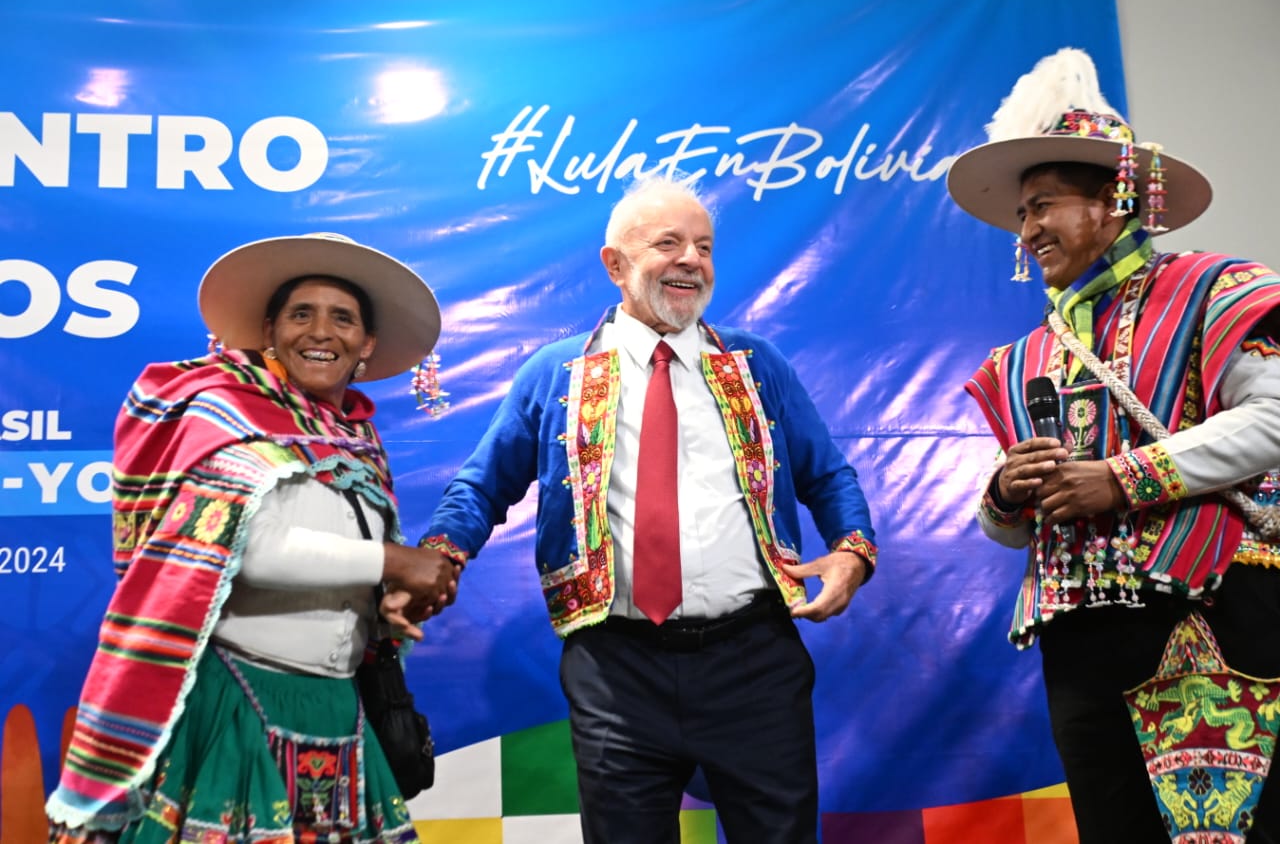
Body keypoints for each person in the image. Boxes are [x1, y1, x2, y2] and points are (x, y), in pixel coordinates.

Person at [416, 175, 877, 844]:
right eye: (669, 244)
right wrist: (438, 557)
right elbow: (482, 487)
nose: (692, 260)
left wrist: (851, 550)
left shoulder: (756, 365)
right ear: (615, 264)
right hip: (615, 668)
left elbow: (827, 474)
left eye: (705, 247)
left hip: (755, 661)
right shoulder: (556, 373)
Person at [947, 47, 1280, 843]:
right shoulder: (1025, 356)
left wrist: (1124, 478)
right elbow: (1010, 530)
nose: (1028, 229)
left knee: (1230, 833)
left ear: (1113, 201)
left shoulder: (1213, 289)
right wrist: (1006, 495)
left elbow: (1273, 419)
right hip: (1079, 638)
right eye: (1021, 214)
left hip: (1209, 610)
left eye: (1044, 206)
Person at [45, 233, 457, 843]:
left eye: (342, 318)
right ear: (270, 331)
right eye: (301, 314)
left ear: (366, 343)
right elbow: (246, 548)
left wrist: (386, 603)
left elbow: (339, 556)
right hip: (238, 701)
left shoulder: (358, 441)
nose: (321, 332)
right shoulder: (228, 412)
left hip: (338, 708)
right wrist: (391, 560)